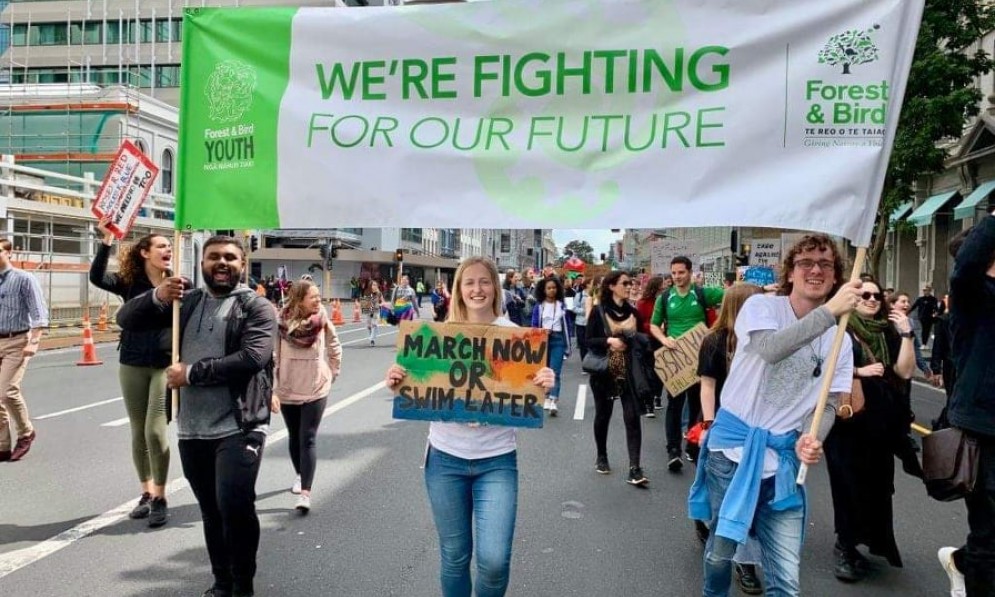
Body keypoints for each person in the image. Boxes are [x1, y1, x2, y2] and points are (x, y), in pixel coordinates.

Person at [687, 233, 862, 597]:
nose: (816, 270)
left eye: (826, 264)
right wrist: (829, 312)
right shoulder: (761, 308)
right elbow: (770, 349)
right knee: (721, 553)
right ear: (791, 272)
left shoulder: (842, 339)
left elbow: (829, 401)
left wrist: (812, 436)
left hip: (783, 461)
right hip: (731, 453)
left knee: (785, 580)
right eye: (806, 263)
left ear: (836, 276)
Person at [385, 256, 555, 597]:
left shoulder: (516, 337)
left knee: (493, 562)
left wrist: (544, 379)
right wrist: (398, 380)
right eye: (469, 283)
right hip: (445, 460)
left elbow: (524, 392)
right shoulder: (439, 335)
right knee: (454, 556)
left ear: (495, 287)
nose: (477, 289)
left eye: (484, 281)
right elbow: (418, 384)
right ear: (459, 291)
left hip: (497, 461)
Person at [117, 235, 275, 597]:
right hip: (192, 428)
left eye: (231, 258)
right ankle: (222, 581)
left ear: (242, 265)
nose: (222, 263)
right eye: (214, 257)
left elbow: (252, 358)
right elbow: (124, 318)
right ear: (201, 263)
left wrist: (191, 374)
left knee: (234, 504)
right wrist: (157, 296)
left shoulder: (256, 307)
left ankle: (243, 585)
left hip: (240, 424)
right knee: (210, 511)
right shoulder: (185, 303)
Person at [824, 277, 916, 583]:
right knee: (847, 484)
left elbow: (903, 371)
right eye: (865, 294)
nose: (872, 299)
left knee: (877, 486)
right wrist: (858, 371)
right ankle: (845, 547)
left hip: (881, 425)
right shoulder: (838, 329)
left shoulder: (887, 332)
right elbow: (820, 369)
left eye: (877, 295)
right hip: (847, 423)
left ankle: (866, 541)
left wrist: (907, 335)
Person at [88, 218, 173, 526]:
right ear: (144, 253)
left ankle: (161, 496)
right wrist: (107, 241)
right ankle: (147, 492)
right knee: (138, 431)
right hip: (132, 362)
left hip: (164, 364)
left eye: (169, 246)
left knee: (155, 431)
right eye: (161, 246)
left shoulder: (177, 282)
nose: (167, 250)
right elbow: (97, 277)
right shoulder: (128, 283)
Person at [938, 208, 995, 597]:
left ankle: (961, 560)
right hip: (984, 429)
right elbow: (966, 268)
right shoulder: (972, 295)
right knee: (990, 534)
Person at [695, 283, 765, 595]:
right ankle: (727, 558)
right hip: (724, 429)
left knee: (752, 503)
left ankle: (746, 563)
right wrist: (709, 424)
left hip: (759, 433)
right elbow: (707, 385)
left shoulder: (766, 342)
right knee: (727, 505)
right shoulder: (715, 341)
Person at [271, 279, 342, 514]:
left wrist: (333, 370)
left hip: (315, 388)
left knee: (308, 437)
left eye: (318, 296)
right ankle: (300, 474)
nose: (318, 300)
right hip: (289, 388)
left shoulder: (321, 320)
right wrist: (273, 388)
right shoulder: (281, 322)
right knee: (294, 436)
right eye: (313, 296)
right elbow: (273, 356)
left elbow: (334, 345)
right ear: (299, 299)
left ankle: (305, 493)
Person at [650, 256, 724, 470]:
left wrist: (764, 289)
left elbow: (733, 296)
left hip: (699, 357)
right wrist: (665, 339)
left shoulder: (702, 293)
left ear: (690, 272)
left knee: (697, 404)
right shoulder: (664, 298)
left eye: (681, 272)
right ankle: (673, 450)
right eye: (673, 273)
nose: (677, 277)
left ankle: (693, 445)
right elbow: (654, 326)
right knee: (674, 405)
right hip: (676, 359)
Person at [585, 271, 654, 486]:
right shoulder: (598, 311)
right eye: (625, 283)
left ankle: (635, 467)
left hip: (629, 371)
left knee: (632, 417)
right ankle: (602, 455)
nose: (629, 286)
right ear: (612, 286)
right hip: (605, 371)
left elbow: (646, 340)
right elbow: (588, 341)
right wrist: (609, 341)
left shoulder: (634, 312)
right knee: (603, 414)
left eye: (631, 283)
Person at [0, 238, 48, 463]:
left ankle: (26, 432)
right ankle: (2, 446)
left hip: (17, 340)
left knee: (7, 391)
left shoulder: (24, 279)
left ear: (8, 253)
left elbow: (38, 312)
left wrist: (34, 341)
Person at [532, 276, 571, 416]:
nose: (552, 290)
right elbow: (534, 326)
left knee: (555, 371)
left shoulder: (561, 305)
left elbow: (567, 325)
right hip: (543, 340)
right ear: (543, 290)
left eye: (554, 288)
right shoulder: (539, 306)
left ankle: (554, 400)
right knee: (544, 370)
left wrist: (568, 344)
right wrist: (542, 332)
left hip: (558, 340)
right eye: (549, 288)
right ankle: (546, 397)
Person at [635, 275, 667, 415]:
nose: (665, 288)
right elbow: (640, 322)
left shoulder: (666, 300)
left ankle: (657, 396)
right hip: (648, 340)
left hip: (662, 339)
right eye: (662, 286)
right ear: (656, 287)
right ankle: (648, 403)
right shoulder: (643, 302)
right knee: (649, 370)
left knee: (660, 370)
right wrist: (654, 327)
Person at [573, 278, 593, 363]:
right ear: (587, 284)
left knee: (590, 344)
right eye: (592, 283)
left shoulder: (594, 295)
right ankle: (584, 362)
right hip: (580, 323)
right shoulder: (579, 295)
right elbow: (574, 308)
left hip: (591, 323)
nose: (593, 285)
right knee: (582, 344)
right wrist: (585, 310)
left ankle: (591, 362)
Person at [365, 280, 384, 346]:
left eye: (375, 285)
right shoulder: (367, 292)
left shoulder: (379, 293)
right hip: (369, 311)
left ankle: (372, 340)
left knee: (374, 325)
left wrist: (380, 304)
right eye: (373, 285)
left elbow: (382, 302)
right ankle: (371, 336)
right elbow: (365, 304)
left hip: (376, 311)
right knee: (369, 326)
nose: (374, 286)